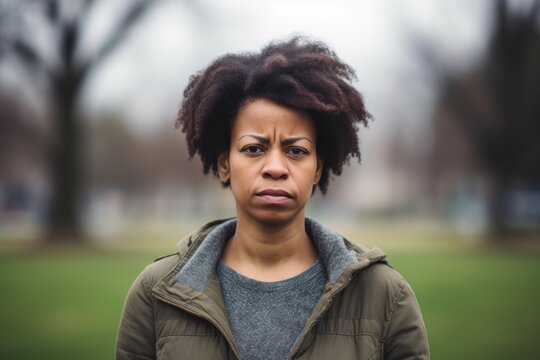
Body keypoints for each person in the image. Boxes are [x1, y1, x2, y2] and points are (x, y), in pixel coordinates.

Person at [115, 36, 429, 360]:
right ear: (225, 165)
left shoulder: (386, 296)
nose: (276, 167)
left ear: (318, 168)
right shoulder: (155, 293)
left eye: (296, 151)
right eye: (254, 149)